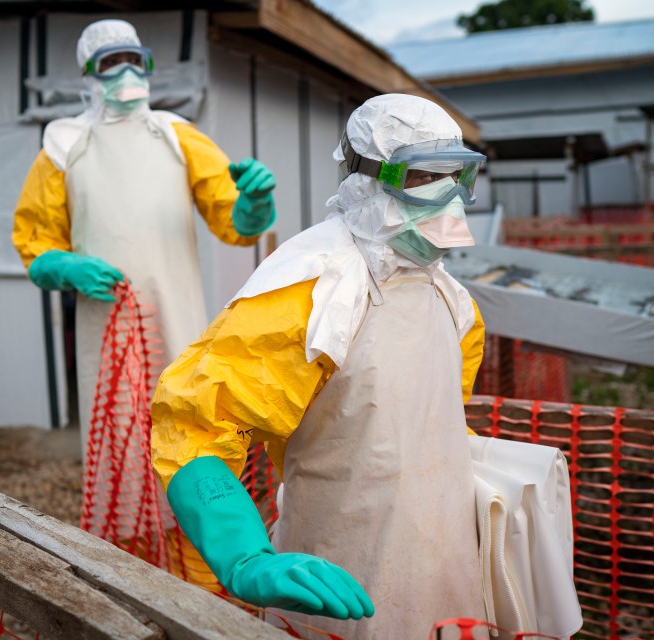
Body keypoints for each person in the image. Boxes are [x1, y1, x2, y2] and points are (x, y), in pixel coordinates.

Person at [151, 93, 488, 639]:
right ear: (367, 178)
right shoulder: (311, 290)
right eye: (425, 177)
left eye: (458, 177)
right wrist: (244, 556)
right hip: (335, 573)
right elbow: (195, 426)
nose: (448, 199)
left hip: (447, 566)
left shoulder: (453, 302)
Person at [11, 18, 277, 446]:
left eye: (135, 61)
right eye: (111, 62)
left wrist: (254, 204)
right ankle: (125, 515)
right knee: (117, 433)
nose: (126, 73)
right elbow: (35, 238)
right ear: (90, 74)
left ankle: (181, 515)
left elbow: (233, 222)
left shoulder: (178, 136)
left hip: (177, 311)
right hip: (106, 320)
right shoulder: (63, 145)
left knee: (184, 420)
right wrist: (61, 265)